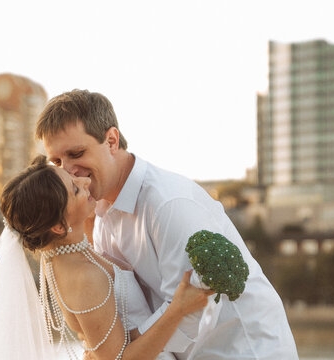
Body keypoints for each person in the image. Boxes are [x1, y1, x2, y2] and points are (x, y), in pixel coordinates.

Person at [36, 89, 300, 359]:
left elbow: (193, 310)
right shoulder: (97, 212)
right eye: (57, 161)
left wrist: (118, 350)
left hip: (244, 351)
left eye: (76, 153)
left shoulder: (169, 204)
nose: (67, 170)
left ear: (112, 141)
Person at [0, 155, 213, 360]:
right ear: (59, 227)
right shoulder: (83, 277)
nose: (84, 181)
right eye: (74, 189)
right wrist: (178, 308)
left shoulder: (66, 255)